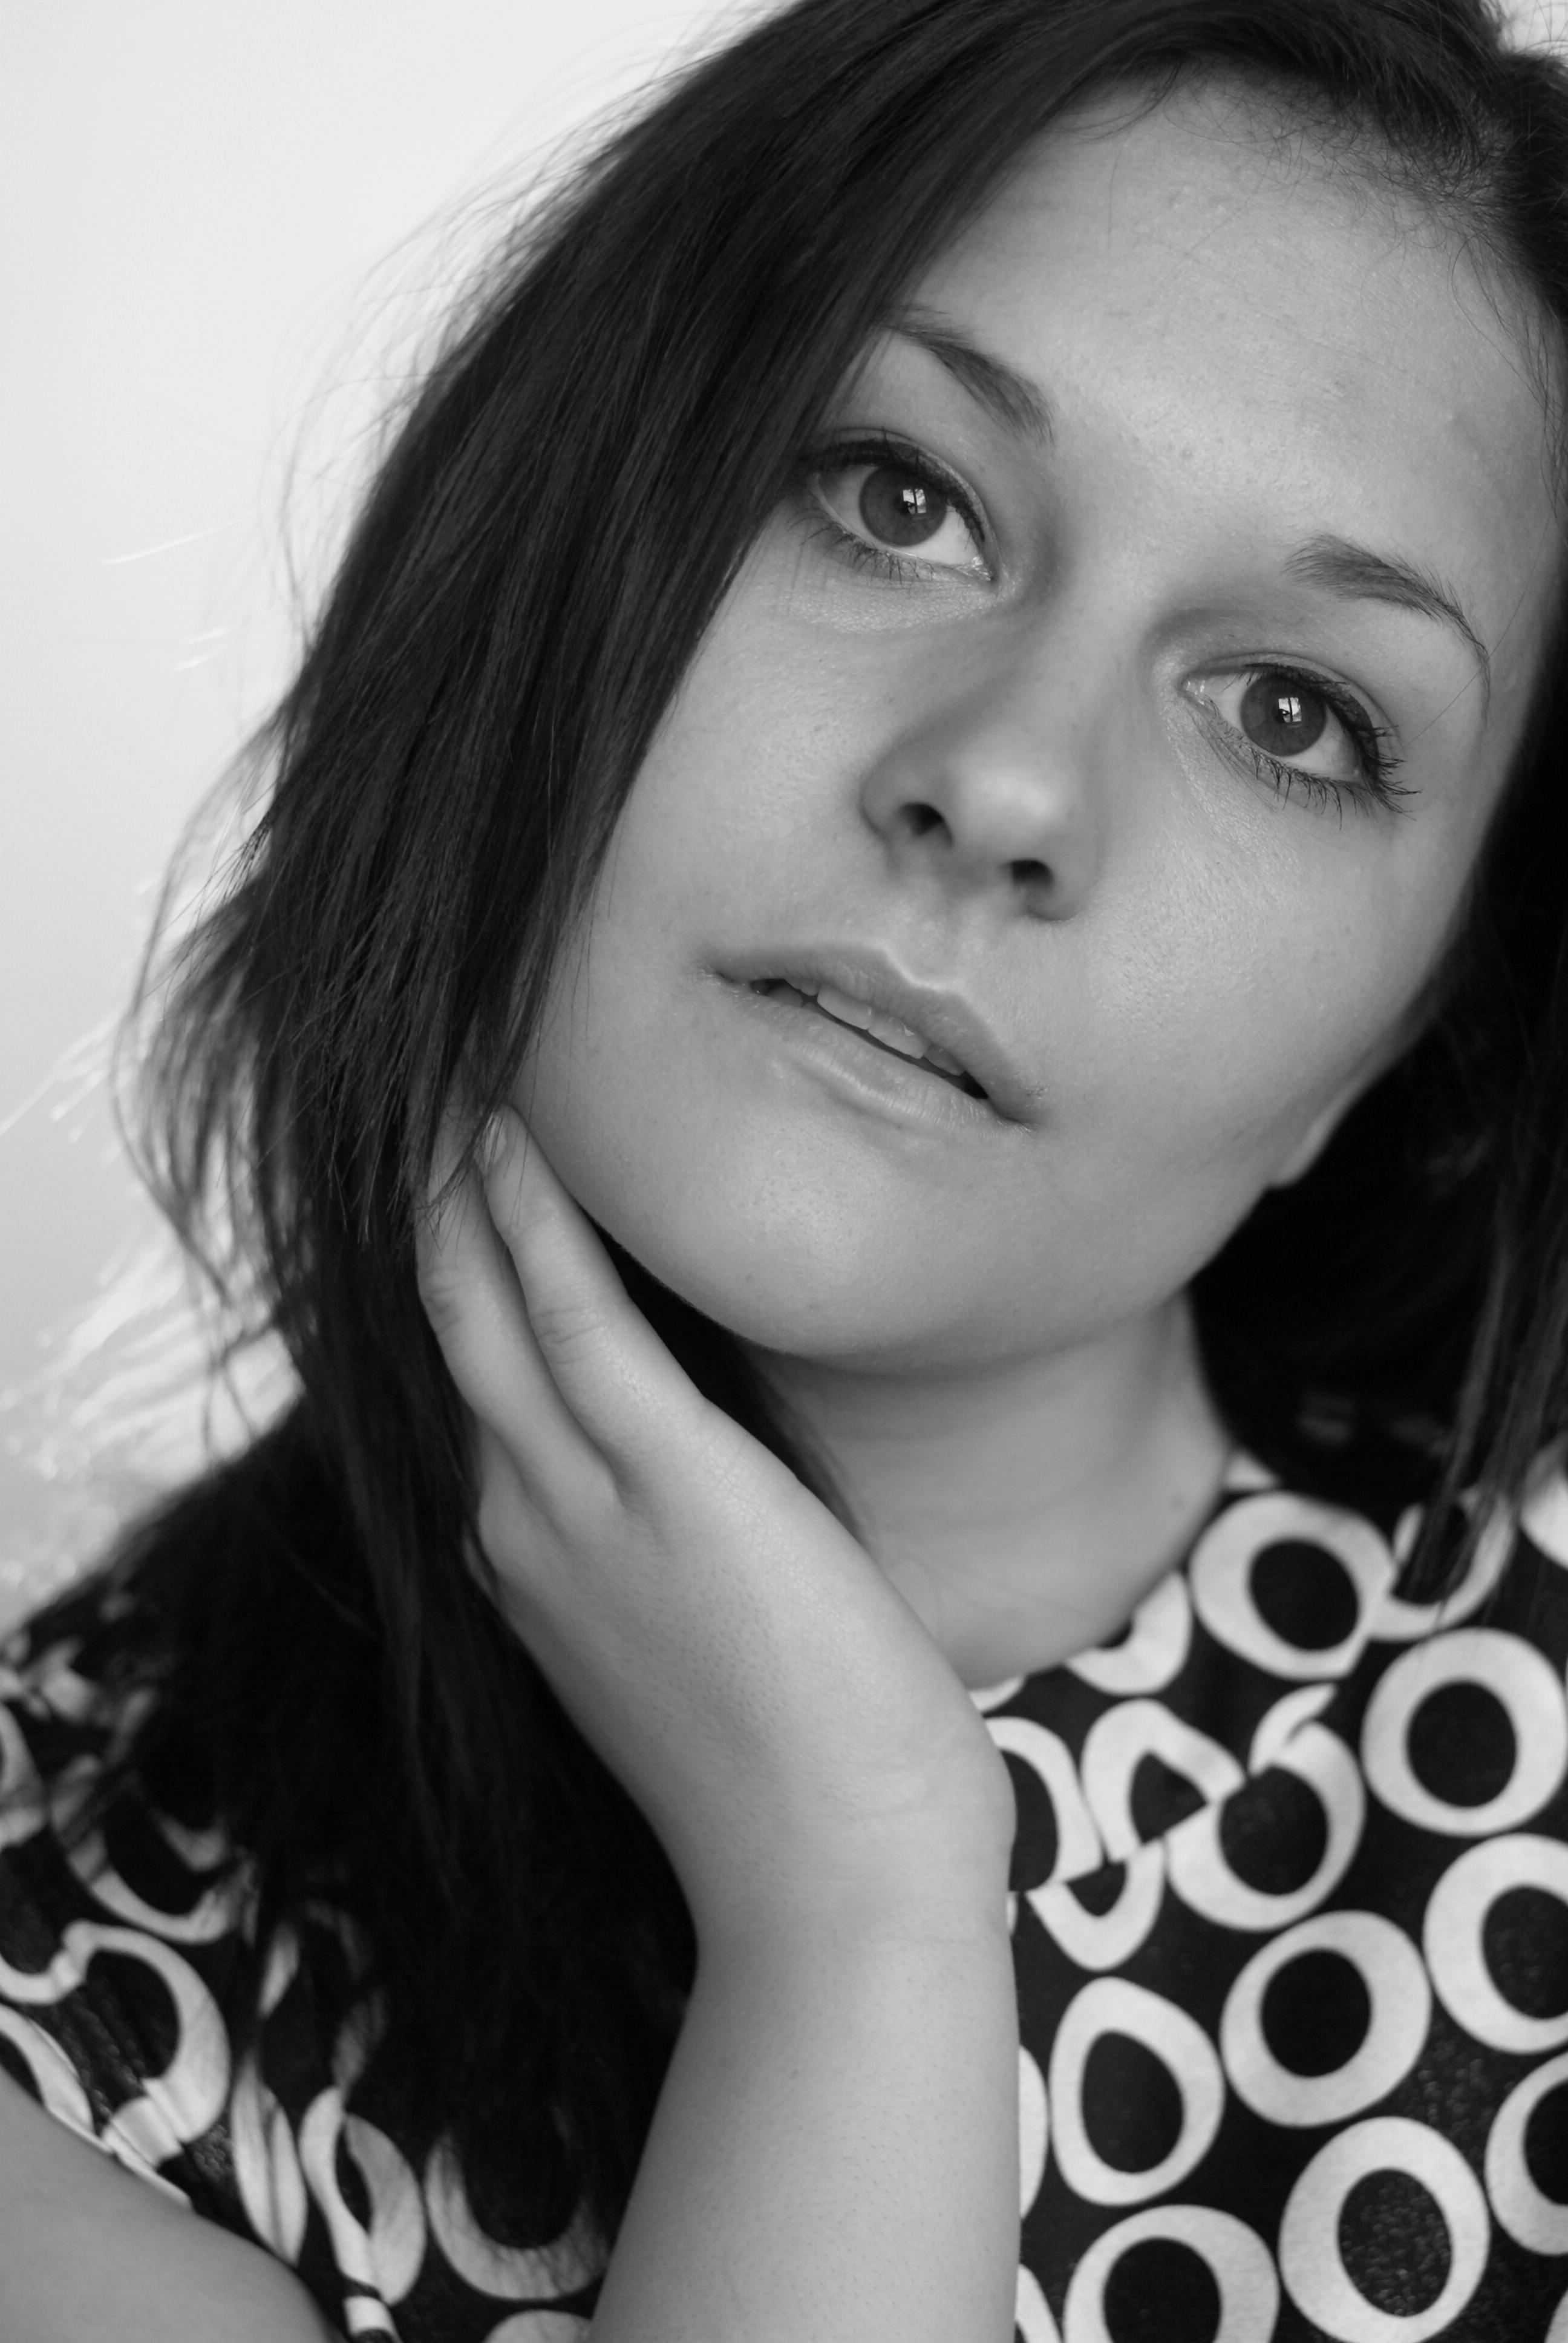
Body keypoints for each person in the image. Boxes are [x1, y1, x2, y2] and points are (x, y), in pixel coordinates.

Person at [5, 0, 1568, 2333]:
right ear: (558, 554)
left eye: (1297, 715)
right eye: (898, 494)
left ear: (1406, 1032)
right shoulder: (70, 1978)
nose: (1008, 787)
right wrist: (855, 1911)